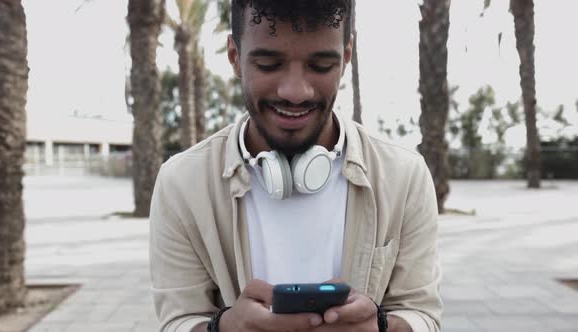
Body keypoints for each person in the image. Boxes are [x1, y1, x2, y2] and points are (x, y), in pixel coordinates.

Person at [149, 1, 442, 331]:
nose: (295, 92)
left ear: (346, 56)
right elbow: (178, 321)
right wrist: (223, 328)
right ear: (234, 56)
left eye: (320, 66)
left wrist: (383, 327)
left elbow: (422, 314)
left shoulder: (405, 176)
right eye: (268, 64)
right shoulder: (181, 183)